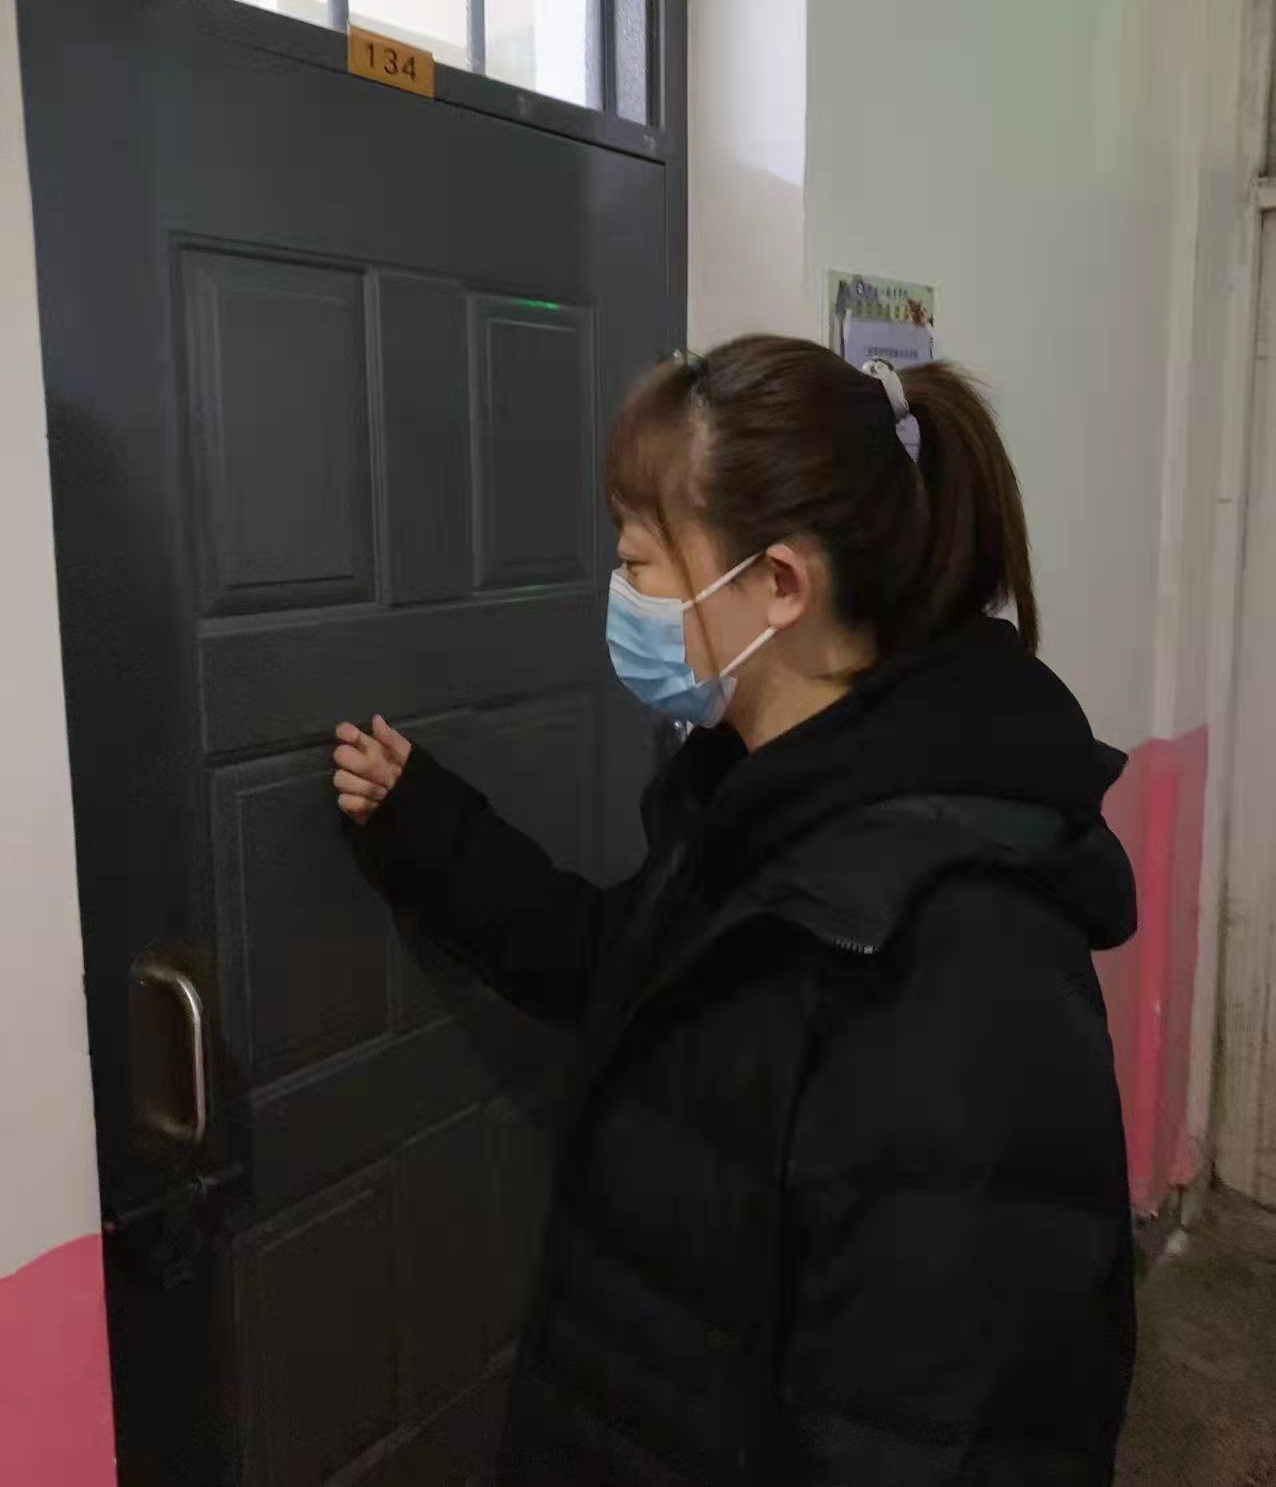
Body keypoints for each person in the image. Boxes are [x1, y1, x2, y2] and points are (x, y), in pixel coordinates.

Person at [333, 335, 1136, 1486]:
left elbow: (943, 1430)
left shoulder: (961, 956)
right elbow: (614, 964)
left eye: (641, 562)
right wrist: (427, 824)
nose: (622, 598)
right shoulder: (758, 808)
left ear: (779, 586)